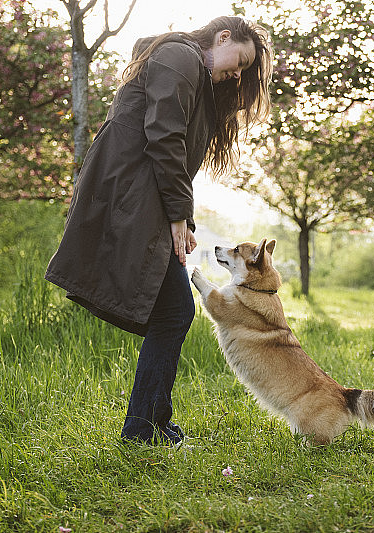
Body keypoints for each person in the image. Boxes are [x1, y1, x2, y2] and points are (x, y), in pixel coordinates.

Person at [45, 16, 273, 445]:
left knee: (171, 311)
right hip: (134, 195)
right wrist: (177, 214)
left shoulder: (189, 69)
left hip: (146, 197)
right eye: (239, 60)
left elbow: (176, 153)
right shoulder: (179, 55)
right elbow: (164, 137)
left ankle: (146, 427)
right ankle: (144, 429)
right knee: (173, 312)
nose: (238, 74)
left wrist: (182, 217)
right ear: (222, 37)